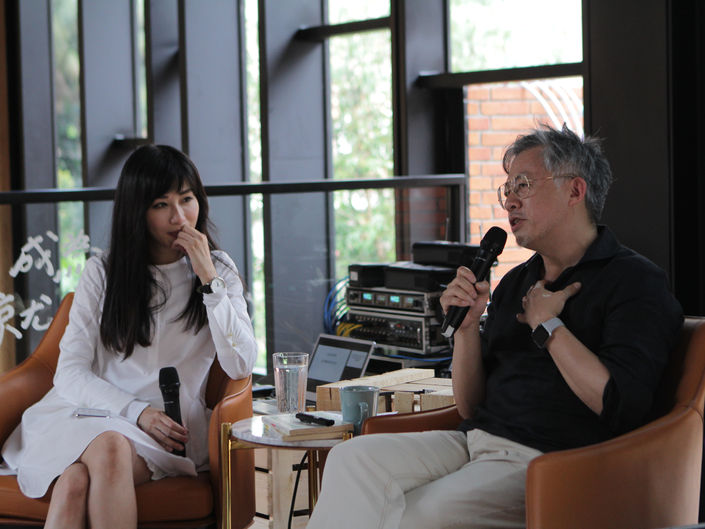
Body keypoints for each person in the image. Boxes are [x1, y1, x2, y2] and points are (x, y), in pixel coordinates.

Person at [306, 124, 683, 529]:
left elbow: (621, 404)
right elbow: (471, 407)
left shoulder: (635, 282)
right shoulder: (517, 282)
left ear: (575, 191)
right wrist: (467, 330)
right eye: (508, 189)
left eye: (524, 185)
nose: (511, 201)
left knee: (419, 514)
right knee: (351, 460)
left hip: (552, 462)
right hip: (472, 441)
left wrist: (549, 326)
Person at [0, 144, 257, 529]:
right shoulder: (103, 272)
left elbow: (241, 364)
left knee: (75, 480)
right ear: (138, 211)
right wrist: (136, 412)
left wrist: (209, 279)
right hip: (88, 414)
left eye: (186, 199)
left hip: (168, 429)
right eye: (161, 204)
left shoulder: (219, 270)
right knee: (99, 455)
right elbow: (69, 373)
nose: (178, 217)